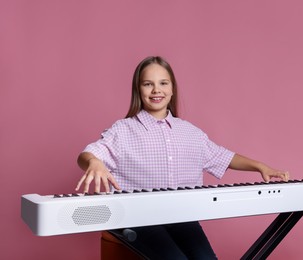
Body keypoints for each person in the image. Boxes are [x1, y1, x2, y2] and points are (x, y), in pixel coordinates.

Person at [75, 56, 289, 259]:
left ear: (172, 89)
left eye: (163, 83)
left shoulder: (190, 132)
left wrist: (260, 166)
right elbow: (87, 155)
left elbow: (222, 156)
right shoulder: (123, 130)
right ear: (138, 89)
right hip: (138, 218)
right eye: (148, 84)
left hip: (181, 216)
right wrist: (94, 162)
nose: (156, 90)